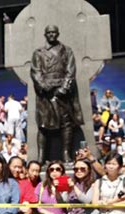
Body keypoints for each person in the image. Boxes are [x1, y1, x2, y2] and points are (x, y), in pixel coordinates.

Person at [31, 25, 84, 163]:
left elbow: (70, 71)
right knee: (43, 125)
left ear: (58, 34)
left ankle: (66, 153)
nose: (52, 35)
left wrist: (64, 88)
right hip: (45, 94)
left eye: (54, 32)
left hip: (62, 93)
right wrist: (44, 86)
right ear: (45, 34)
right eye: (49, 33)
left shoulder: (66, 50)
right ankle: (41, 156)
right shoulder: (38, 53)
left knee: (66, 123)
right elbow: (35, 72)